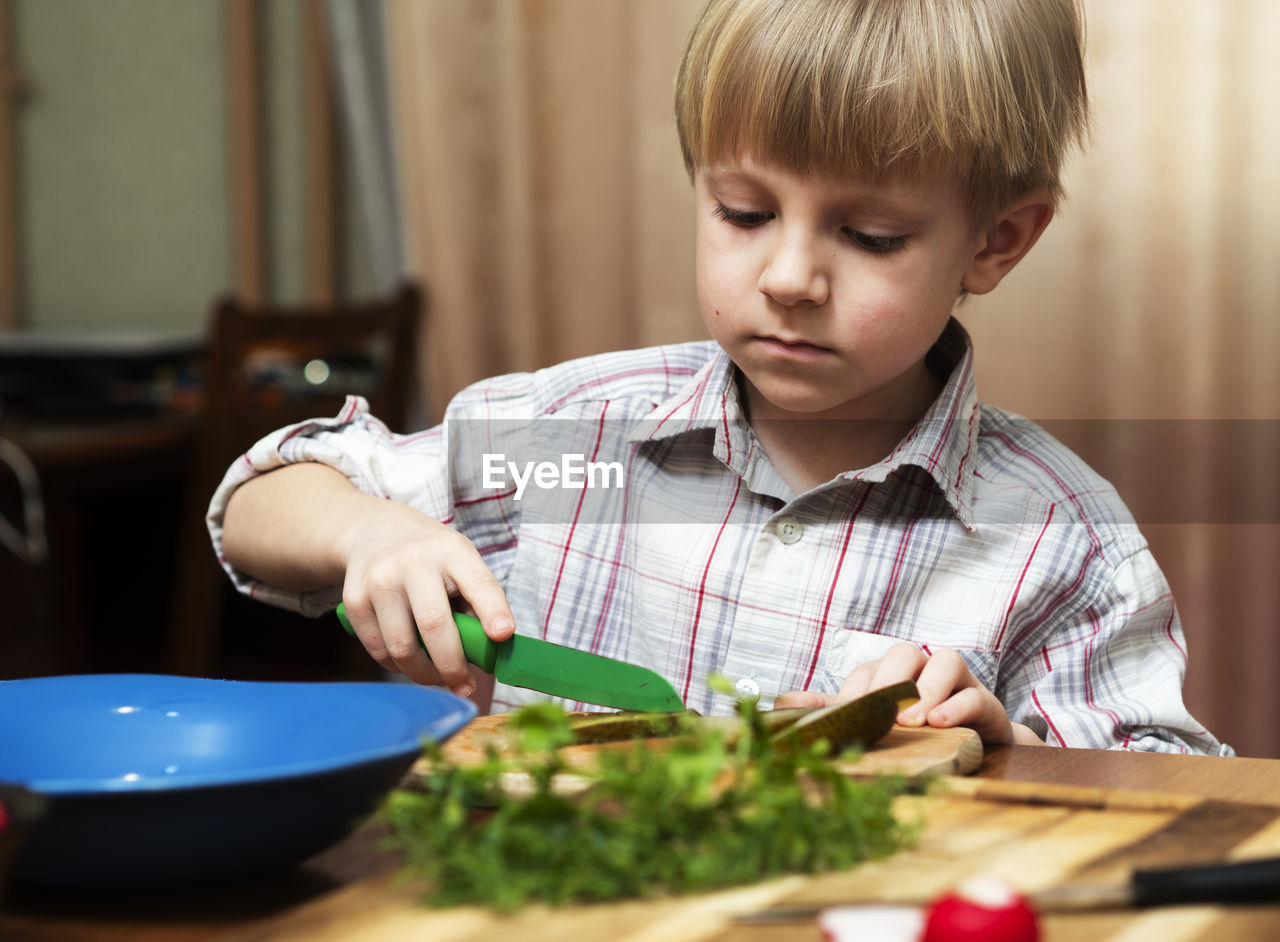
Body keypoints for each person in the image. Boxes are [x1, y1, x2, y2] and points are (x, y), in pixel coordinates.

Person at [212, 0, 1230, 755]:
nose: (787, 278)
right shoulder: (568, 440)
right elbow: (256, 503)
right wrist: (366, 533)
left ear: (995, 241)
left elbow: (1166, 795)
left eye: (870, 235)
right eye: (742, 214)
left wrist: (993, 746)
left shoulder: (1060, 540)